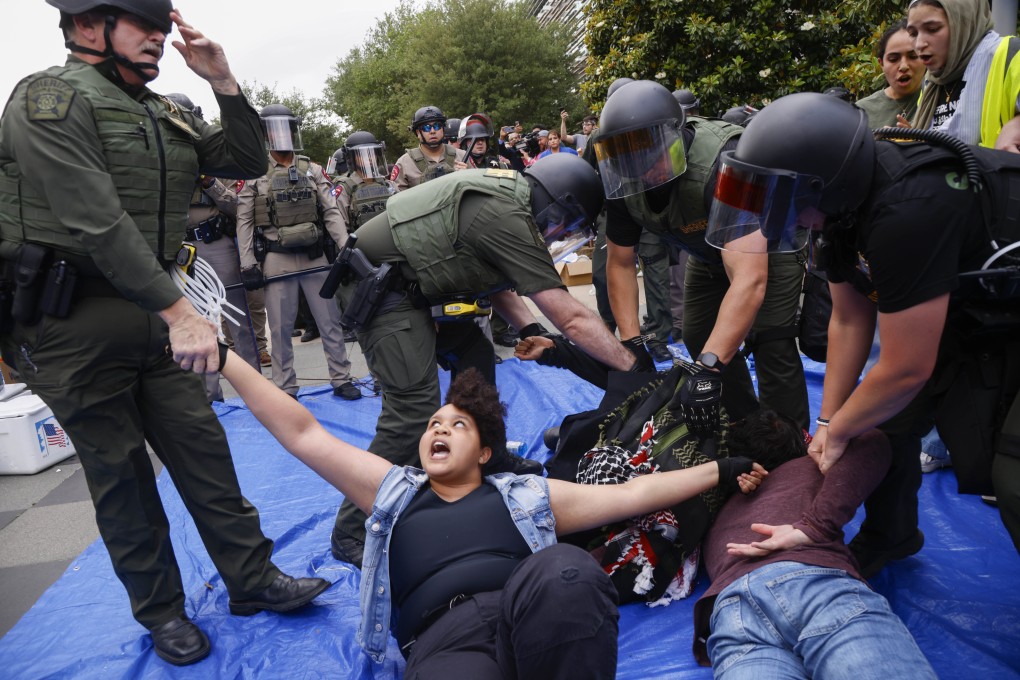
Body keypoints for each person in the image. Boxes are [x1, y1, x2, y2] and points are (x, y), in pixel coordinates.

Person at [0, 0, 330, 665]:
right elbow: (95, 220)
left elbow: (241, 159)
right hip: (73, 320)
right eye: (139, 21)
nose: (157, 36)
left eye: (160, 23)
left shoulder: (161, 111)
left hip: (152, 308)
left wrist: (223, 82)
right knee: (121, 475)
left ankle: (251, 579)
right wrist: (180, 312)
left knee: (204, 448)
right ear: (89, 27)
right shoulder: (48, 99)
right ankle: (164, 613)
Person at [220, 351, 764, 673]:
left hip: (530, 615)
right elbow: (302, 431)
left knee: (566, 571)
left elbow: (633, 495)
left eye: (458, 425)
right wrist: (225, 358)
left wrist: (723, 468)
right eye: (434, 423)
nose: (439, 429)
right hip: (444, 641)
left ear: (484, 453)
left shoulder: (525, 495)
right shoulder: (393, 491)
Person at [704, 91, 1020, 567]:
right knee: (883, 423)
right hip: (969, 306)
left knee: (1010, 470)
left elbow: (905, 369)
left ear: (818, 189)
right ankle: (890, 537)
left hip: (999, 310)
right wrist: (831, 422)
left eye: (780, 202)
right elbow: (849, 318)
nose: (771, 223)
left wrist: (840, 429)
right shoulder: (839, 211)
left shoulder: (906, 210)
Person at [327, 153, 654, 567]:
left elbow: (498, 282)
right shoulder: (505, 213)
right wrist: (631, 366)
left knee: (475, 355)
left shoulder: (507, 200)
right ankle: (352, 529)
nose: (557, 234)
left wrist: (530, 332)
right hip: (381, 292)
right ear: (558, 203)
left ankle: (489, 455)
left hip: (413, 288)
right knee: (412, 410)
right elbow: (570, 316)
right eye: (563, 224)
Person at [594, 80, 810, 435]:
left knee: (771, 340)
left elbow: (749, 278)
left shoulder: (724, 161)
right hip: (708, 253)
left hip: (767, 249)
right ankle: (746, 421)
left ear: (675, 138)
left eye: (650, 161)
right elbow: (619, 262)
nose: (644, 173)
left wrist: (708, 369)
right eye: (632, 165)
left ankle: (787, 440)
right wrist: (633, 345)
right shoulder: (624, 175)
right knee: (698, 335)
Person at [692, 416, 938, 679]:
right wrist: (817, 526)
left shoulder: (716, 510)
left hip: (734, 611)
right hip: (812, 584)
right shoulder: (810, 467)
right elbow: (872, 438)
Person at [236, 104, 361, 400]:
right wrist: (248, 263)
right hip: (277, 256)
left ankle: (341, 378)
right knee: (279, 328)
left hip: (314, 255)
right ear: (266, 135)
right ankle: (285, 387)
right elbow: (244, 220)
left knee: (329, 320)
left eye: (286, 129)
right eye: (274, 130)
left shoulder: (312, 170)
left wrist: (345, 249)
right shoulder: (254, 173)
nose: (282, 136)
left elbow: (331, 211)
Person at [166, 92, 261, 402]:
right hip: (180, 253)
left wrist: (208, 181)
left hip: (215, 244)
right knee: (194, 322)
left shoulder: (216, 158)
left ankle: (255, 389)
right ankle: (209, 397)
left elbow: (239, 208)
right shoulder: (160, 163)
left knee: (237, 319)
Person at [908, 0, 1020, 150]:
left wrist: (1015, 127)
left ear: (964, 22)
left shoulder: (1011, 55)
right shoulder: (931, 81)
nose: (919, 44)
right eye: (913, 33)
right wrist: (910, 141)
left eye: (932, 29)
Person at [856, 20, 926, 128]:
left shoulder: (939, 97)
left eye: (913, 56)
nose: (903, 66)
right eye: (893, 59)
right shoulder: (861, 113)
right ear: (881, 63)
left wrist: (915, 142)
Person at [390, 105, 467, 189]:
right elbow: (396, 198)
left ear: (443, 129)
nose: (432, 131)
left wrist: (468, 175)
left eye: (437, 126)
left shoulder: (462, 156)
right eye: (426, 128)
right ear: (418, 133)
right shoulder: (404, 163)